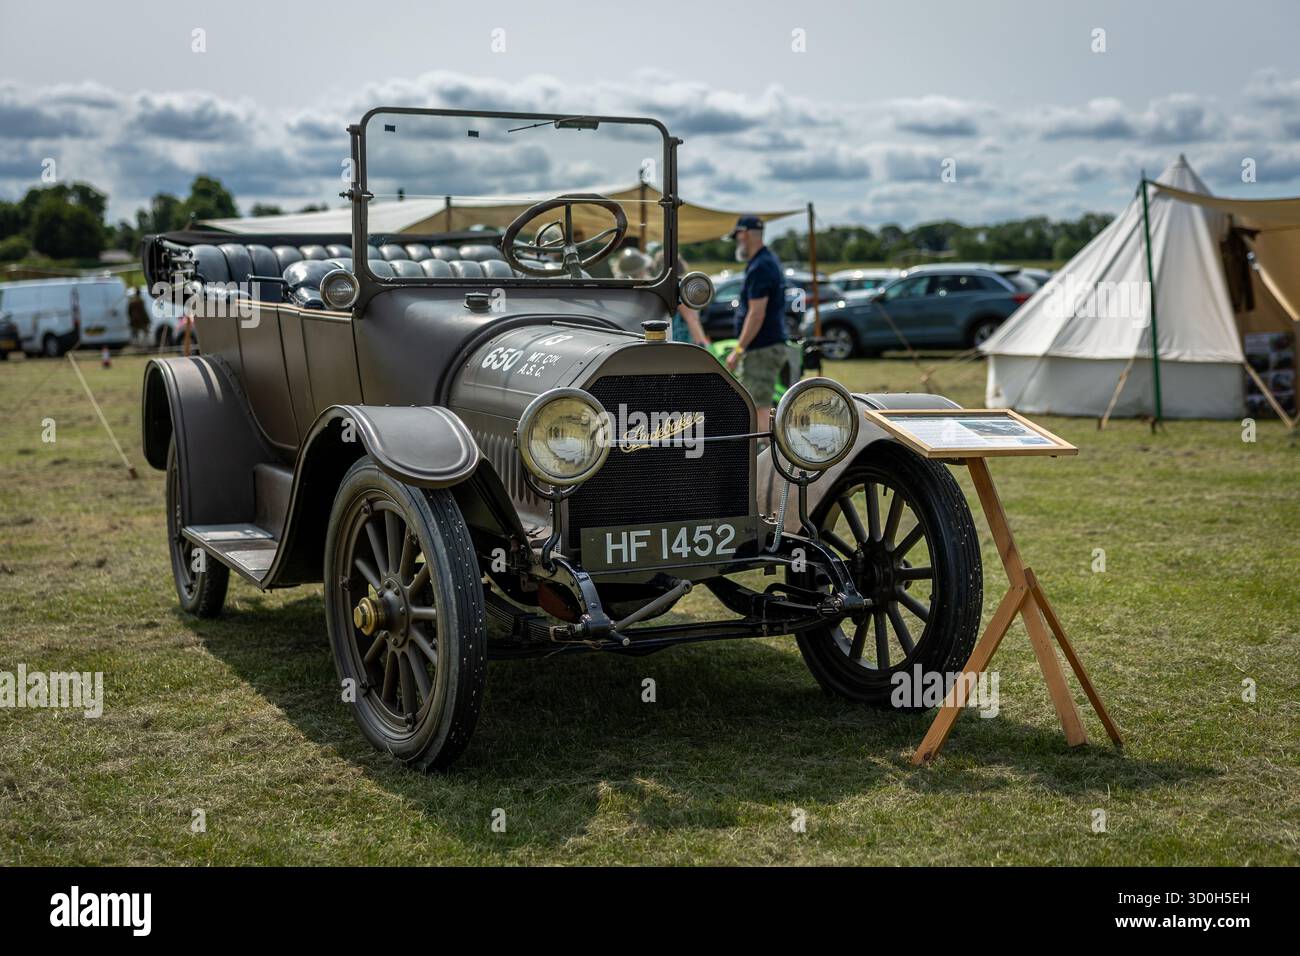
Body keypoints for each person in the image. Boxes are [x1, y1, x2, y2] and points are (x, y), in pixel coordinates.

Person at [724, 215, 786, 430]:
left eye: (738, 236)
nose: (737, 241)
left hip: (761, 348)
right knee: (759, 404)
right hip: (765, 346)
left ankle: (763, 460)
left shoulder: (761, 265)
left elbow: (756, 314)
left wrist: (738, 350)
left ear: (745, 234)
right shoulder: (765, 261)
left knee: (758, 407)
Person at [652, 250, 709, 346]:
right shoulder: (680, 287)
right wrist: (703, 344)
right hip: (681, 341)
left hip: (672, 339)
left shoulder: (668, 287)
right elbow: (692, 319)